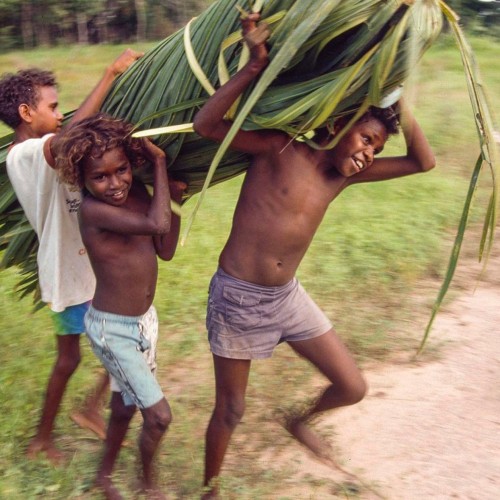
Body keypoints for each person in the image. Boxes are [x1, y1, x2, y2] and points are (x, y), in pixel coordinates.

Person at [193, 13, 436, 497]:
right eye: (366, 139)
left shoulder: (341, 175)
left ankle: (299, 420)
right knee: (231, 410)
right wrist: (254, 67)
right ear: (339, 123)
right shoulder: (278, 149)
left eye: (376, 147)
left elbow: (421, 162)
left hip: (287, 298)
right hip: (238, 298)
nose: (369, 153)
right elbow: (206, 125)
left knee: (352, 386)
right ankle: (209, 490)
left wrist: (396, 94)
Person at [0, 48, 143, 464]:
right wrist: (109, 73)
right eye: (54, 106)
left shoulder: (43, 144)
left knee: (112, 342)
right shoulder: (24, 154)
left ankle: (88, 409)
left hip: (90, 263)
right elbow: (71, 138)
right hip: (67, 270)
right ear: (27, 112)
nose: (61, 113)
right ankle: (43, 437)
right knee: (77, 356)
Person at [56, 112, 186, 499]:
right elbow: (156, 226)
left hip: (145, 324)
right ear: (80, 179)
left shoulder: (140, 196)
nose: (115, 183)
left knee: (125, 406)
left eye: (122, 169)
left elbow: (164, 249)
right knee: (159, 416)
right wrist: (160, 163)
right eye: (100, 176)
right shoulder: (93, 212)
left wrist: (173, 200)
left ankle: (104, 477)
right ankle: (148, 485)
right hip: (113, 330)